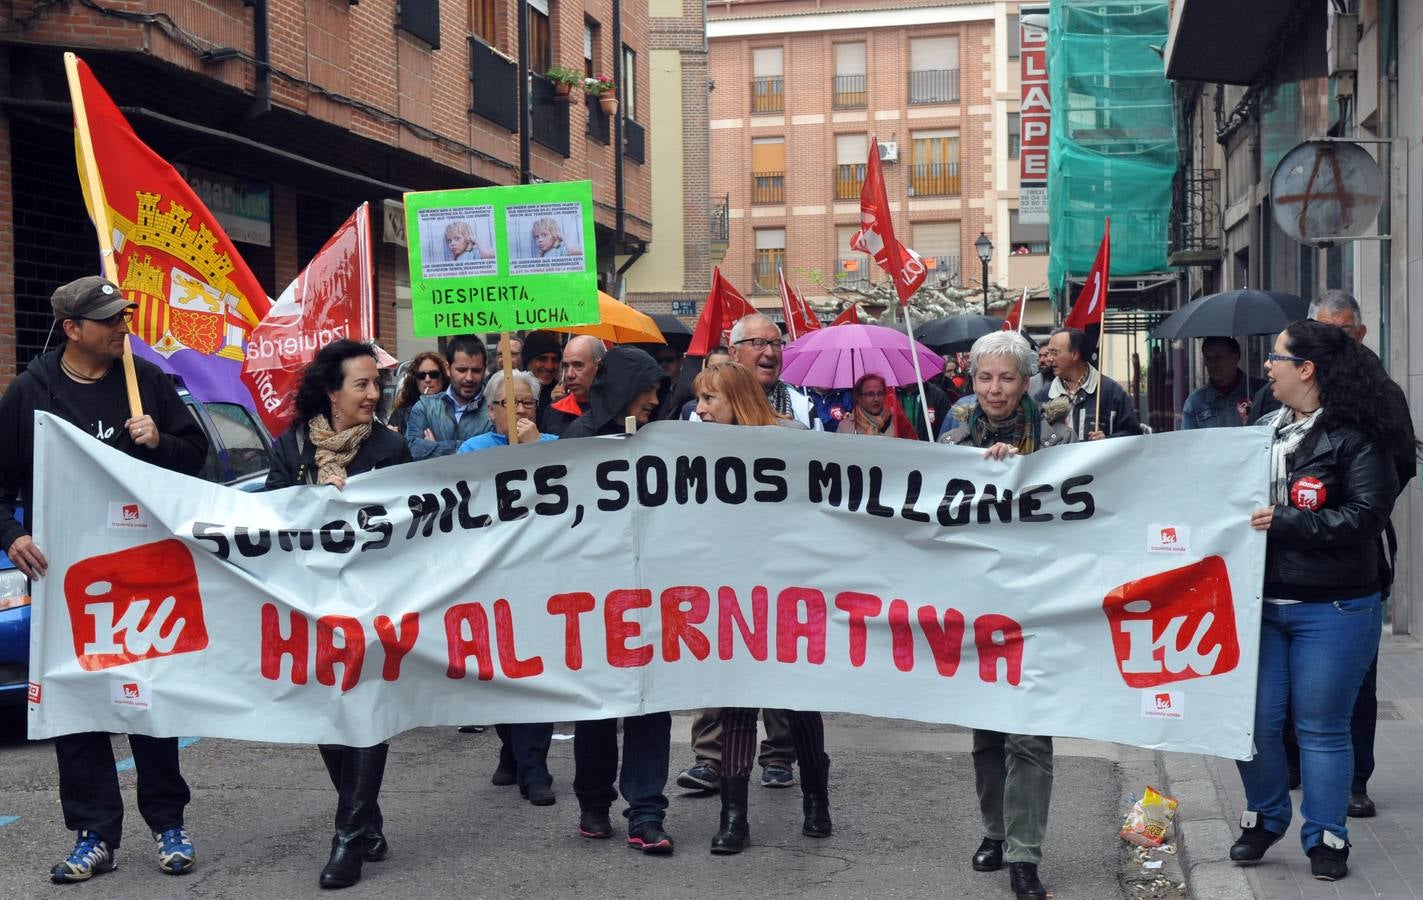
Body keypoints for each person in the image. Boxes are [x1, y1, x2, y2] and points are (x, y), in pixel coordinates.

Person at [0, 276, 208, 884]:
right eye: (109, 319)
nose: (123, 327)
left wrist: (160, 441)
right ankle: (94, 835)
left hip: (143, 573)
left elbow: (197, 456)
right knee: (76, 702)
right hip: (67, 579)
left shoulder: (146, 382)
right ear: (71, 329)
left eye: (124, 316)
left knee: (149, 697)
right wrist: (11, 535)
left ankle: (168, 823)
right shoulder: (30, 393)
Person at [1229, 320, 1415, 883]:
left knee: (1321, 727)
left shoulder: (1356, 436)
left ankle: (1327, 835)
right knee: (1252, 724)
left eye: (1277, 356)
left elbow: (1365, 517)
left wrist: (1285, 520)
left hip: (1334, 607)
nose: (1267, 366)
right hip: (1260, 605)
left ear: (1306, 369)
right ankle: (1265, 817)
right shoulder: (1262, 432)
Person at [264, 340, 411, 889]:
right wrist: (314, 500)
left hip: (374, 603)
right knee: (330, 716)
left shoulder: (390, 448)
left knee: (367, 710)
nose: (374, 394)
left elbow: (413, 524)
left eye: (377, 384)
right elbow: (271, 518)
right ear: (332, 392)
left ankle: (347, 838)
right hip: (312, 602)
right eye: (362, 384)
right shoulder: (292, 446)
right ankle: (367, 822)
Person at [939, 331, 1073, 900]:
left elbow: (1077, 504)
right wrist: (976, 469)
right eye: (985, 377)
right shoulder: (953, 431)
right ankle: (993, 832)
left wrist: (1025, 470)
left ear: (1026, 381)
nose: (995, 389)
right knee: (988, 733)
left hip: (1038, 602)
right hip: (976, 605)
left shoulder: (1057, 433)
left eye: (1007, 378)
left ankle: (1024, 854)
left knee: (1030, 736)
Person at [686, 363, 831, 855]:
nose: (700, 410)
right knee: (737, 703)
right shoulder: (693, 450)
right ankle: (734, 818)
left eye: (709, 400)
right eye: (699, 399)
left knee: (798, 701)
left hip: (789, 593)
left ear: (738, 400)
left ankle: (816, 799)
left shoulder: (793, 441)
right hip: (732, 595)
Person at [561, 346, 676, 852]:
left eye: (657, 390)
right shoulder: (579, 440)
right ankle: (593, 801)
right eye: (646, 389)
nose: (653, 399)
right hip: (593, 596)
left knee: (652, 703)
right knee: (598, 704)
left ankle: (646, 811)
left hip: (652, 596)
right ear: (625, 389)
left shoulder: (663, 442)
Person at [455, 369, 558, 803]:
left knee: (536, 669)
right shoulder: (472, 450)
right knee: (498, 670)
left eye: (527, 403)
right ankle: (511, 749)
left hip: (540, 575)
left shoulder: (554, 446)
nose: (518, 412)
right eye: (508, 404)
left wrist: (533, 451)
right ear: (492, 410)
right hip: (491, 575)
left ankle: (534, 768)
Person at [720, 314, 823, 430]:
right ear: (734, 353)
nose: (770, 353)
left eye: (776, 344)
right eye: (758, 343)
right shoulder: (712, 401)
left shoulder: (802, 407)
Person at [1034, 327, 1139, 439]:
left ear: (1075, 354)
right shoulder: (1044, 396)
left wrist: (1108, 440)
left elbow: (1134, 434)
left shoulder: (1112, 393)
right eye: (1049, 353)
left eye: (1054, 353)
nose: (1049, 359)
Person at [404, 335, 491, 458]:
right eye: (462, 370)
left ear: (484, 370)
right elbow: (412, 450)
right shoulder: (425, 407)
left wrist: (433, 448)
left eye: (476, 370)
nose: (469, 378)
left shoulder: (495, 409)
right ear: (448, 369)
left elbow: (494, 453)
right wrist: (466, 447)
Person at [1180, 337, 1263, 429]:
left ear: (1235, 358)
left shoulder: (1261, 391)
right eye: (1208, 358)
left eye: (1218, 357)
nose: (1213, 364)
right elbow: (1188, 437)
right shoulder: (1195, 403)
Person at [541, 335, 605, 437]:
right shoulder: (554, 410)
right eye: (566, 366)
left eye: (578, 365)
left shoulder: (617, 410)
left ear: (599, 366)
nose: (569, 374)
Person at [836, 373, 917, 438]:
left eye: (880, 393)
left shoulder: (897, 421)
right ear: (859, 397)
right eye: (870, 394)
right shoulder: (844, 427)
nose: (876, 399)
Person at [386, 351, 448, 435]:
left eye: (433, 374)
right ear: (415, 380)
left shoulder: (454, 408)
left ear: (443, 378)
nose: (427, 380)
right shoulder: (401, 413)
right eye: (421, 375)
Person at [522, 330, 564, 429]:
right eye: (542, 359)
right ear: (528, 361)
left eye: (554, 360)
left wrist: (557, 406)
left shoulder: (563, 394)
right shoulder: (511, 391)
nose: (549, 366)